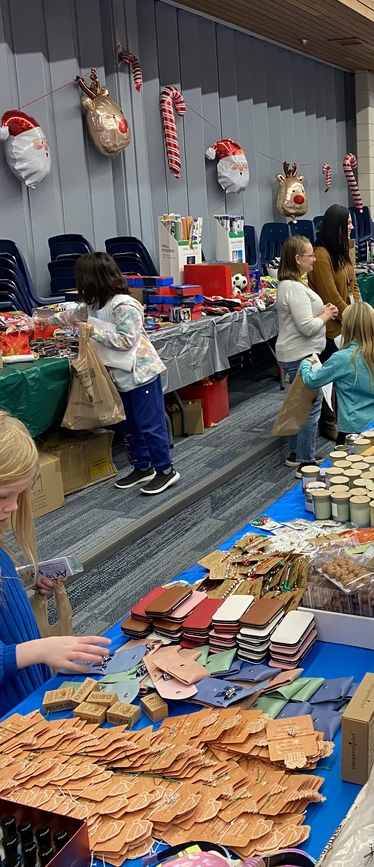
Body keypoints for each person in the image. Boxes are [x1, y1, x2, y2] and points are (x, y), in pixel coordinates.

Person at [0, 412, 110, 716]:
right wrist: (37, 650)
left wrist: (25, 586)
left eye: (20, 495)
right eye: (4, 496)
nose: (14, 507)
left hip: (23, 683)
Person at [44, 252, 178, 495]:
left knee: (150, 424)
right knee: (128, 425)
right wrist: (40, 322)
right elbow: (68, 316)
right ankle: (142, 466)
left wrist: (92, 332)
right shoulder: (93, 306)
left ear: (94, 278)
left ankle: (165, 470)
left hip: (141, 374)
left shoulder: (124, 305)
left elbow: (127, 341)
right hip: (118, 375)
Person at [298, 302, 374, 447]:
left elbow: (311, 380)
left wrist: (305, 363)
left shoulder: (342, 358)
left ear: (346, 327)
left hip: (354, 428)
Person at [275, 236, 338, 475]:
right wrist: (326, 314)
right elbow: (307, 327)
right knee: (311, 406)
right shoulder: (293, 288)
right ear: (297, 258)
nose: (314, 259)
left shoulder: (292, 285)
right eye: (309, 255)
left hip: (299, 352)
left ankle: (296, 453)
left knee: (300, 405)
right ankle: (306, 462)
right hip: (300, 354)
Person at [308, 204, 361, 441]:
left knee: (347, 376)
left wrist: (358, 311)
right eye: (347, 223)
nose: (351, 227)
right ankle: (328, 422)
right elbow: (331, 296)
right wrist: (353, 317)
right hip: (330, 328)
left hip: (346, 324)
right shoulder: (321, 255)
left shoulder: (342, 251)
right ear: (336, 226)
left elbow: (353, 285)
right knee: (330, 377)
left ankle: (342, 418)